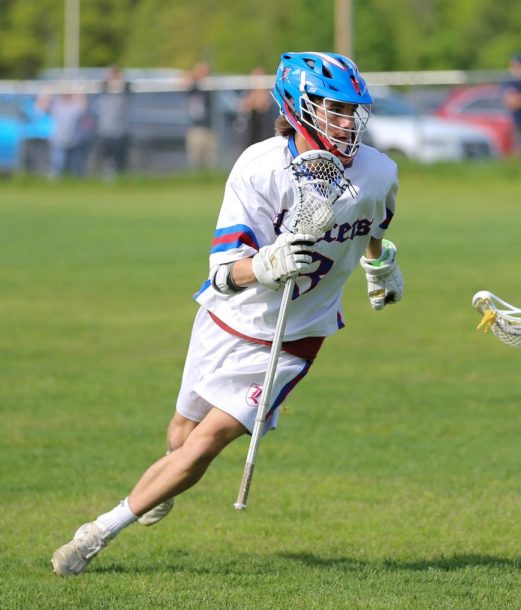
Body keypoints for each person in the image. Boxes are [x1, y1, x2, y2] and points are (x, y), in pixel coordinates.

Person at [51, 51, 404, 576]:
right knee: (180, 436)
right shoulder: (259, 167)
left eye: (354, 110)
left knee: (206, 445)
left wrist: (381, 268)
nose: (349, 121)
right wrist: (264, 265)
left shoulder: (377, 171)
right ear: (298, 106)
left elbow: (373, 228)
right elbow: (223, 272)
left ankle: (97, 531)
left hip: (292, 337)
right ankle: (160, 485)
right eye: (334, 108)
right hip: (227, 316)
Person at [94, 66, 131, 177]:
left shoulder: (125, 90)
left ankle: (121, 179)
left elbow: (128, 86)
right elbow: (101, 85)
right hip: (104, 131)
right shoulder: (104, 89)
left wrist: (118, 82)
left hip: (120, 132)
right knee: (101, 159)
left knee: (120, 160)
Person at [185, 62, 217, 170]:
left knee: (210, 160)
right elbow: (183, 79)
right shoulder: (193, 87)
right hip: (196, 128)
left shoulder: (210, 87)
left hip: (210, 128)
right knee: (196, 160)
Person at [239, 67, 277, 148]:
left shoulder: (271, 93)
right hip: (250, 136)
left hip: (266, 135)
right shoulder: (248, 93)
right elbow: (243, 107)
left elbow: (263, 105)